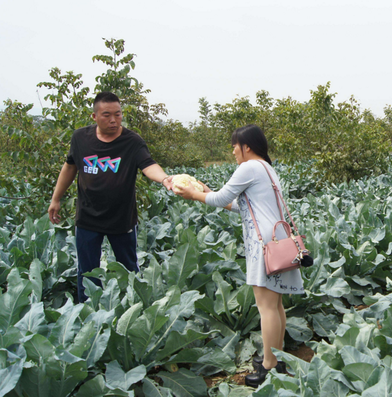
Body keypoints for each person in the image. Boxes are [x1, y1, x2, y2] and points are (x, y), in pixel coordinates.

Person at [173, 124, 304, 388]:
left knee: (265, 306)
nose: (233, 150)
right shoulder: (267, 168)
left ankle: (268, 368)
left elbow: (221, 200)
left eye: (235, 145)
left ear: (247, 146)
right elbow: (241, 206)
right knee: (275, 305)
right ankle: (275, 358)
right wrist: (207, 192)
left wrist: (194, 194)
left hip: (263, 243)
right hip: (277, 238)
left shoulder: (249, 167)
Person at [48, 91, 172, 302]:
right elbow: (70, 167)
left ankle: (134, 311)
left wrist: (165, 179)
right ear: (94, 117)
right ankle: (88, 315)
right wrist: (56, 198)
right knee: (87, 273)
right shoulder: (80, 138)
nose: (114, 120)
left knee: (129, 270)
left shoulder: (132, 141)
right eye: (106, 115)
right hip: (87, 217)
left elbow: (148, 165)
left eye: (118, 114)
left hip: (121, 219)